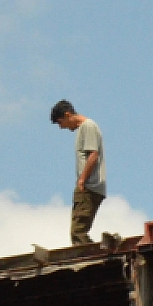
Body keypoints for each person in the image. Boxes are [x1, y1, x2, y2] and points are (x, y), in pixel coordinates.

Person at [50, 100, 105, 245]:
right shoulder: (85, 128)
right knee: (78, 232)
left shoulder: (88, 126)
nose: (61, 127)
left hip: (89, 186)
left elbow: (93, 155)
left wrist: (82, 180)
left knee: (78, 233)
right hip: (89, 185)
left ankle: (92, 255)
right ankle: (92, 251)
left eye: (60, 122)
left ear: (68, 115)